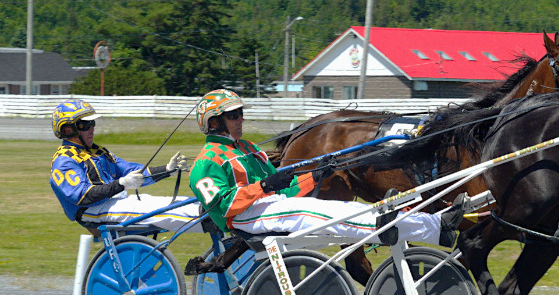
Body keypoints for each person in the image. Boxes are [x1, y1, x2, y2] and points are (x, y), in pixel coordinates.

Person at [188, 89, 470, 247]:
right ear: (214, 123)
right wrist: (263, 186)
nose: (241, 120)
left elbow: (284, 188)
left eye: (241, 114)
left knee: (345, 209)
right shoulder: (206, 162)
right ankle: (393, 227)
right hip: (247, 218)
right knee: (327, 213)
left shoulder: (249, 149)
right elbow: (224, 206)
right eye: (233, 116)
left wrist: (315, 175)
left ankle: (436, 226)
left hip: (273, 207)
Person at [49, 99, 200, 232]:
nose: (92, 128)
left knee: (158, 201)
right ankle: (201, 217)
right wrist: (121, 184)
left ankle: (204, 208)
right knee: (152, 210)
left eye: (92, 123)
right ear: (68, 130)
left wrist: (166, 170)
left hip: (115, 202)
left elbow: (133, 172)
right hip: (90, 211)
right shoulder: (64, 161)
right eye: (85, 124)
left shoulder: (98, 152)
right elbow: (83, 196)